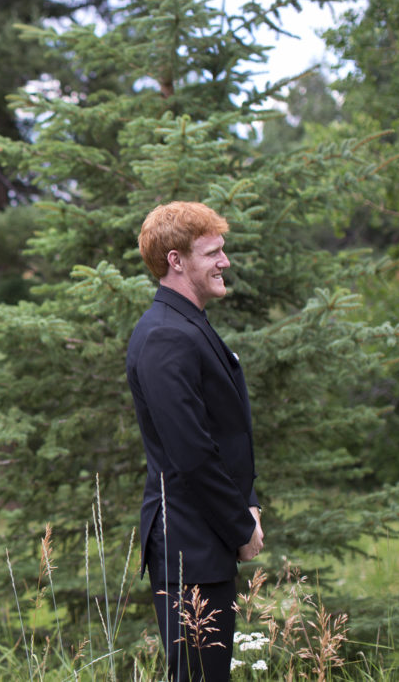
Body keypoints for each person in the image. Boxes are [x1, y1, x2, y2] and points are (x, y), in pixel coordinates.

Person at [125, 201, 263, 682]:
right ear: (176, 261)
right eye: (213, 252)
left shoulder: (189, 324)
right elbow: (191, 453)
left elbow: (225, 432)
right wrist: (239, 527)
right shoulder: (165, 336)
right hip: (188, 545)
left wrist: (249, 502)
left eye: (223, 250)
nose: (225, 261)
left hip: (204, 541)